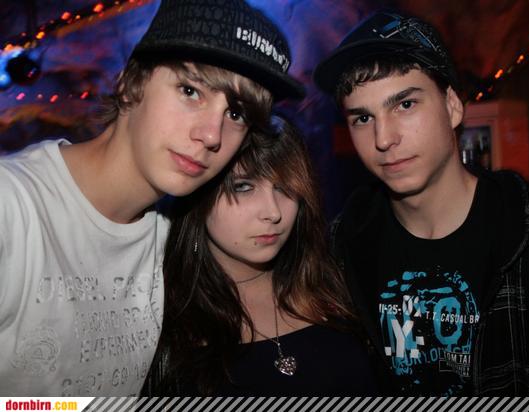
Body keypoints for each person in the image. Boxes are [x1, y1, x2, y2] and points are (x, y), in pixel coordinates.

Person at [0, 0, 303, 396]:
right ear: (131, 83)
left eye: (236, 114)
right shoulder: (12, 208)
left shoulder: (178, 235)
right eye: (191, 91)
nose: (211, 135)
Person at [313, 10, 529, 395]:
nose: (383, 138)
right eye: (362, 118)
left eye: (405, 105)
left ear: (453, 107)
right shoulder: (341, 250)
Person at [142, 118, 377, 395]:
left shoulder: (337, 282)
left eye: (284, 187)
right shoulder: (158, 317)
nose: (273, 212)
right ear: (198, 194)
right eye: (243, 186)